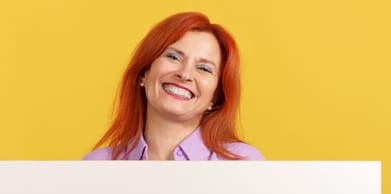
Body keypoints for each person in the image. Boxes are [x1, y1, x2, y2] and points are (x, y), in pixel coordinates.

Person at [83, 12, 264, 161]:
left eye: (204, 68)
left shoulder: (242, 162)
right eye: (173, 57)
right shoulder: (97, 165)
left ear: (215, 97)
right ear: (144, 73)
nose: (184, 74)